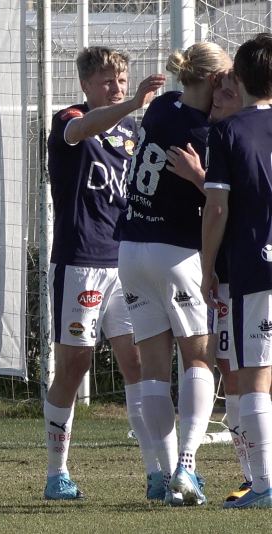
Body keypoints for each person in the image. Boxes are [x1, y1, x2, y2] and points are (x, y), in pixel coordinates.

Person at [44, 46, 166, 500]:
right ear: (86, 85)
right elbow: (82, 129)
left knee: (136, 361)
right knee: (75, 364)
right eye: (106, 81)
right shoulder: (69, 120)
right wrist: (132, 102)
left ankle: (157, 472)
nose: (115, 86)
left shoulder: (135, 130)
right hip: (81, 262)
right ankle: (57, 473)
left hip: (127, 261)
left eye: (120, 79)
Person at [117, 41, 230, 506]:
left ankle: (164, 479)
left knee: (153, 374)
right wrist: (201, 176)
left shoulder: (164, 105)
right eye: (225, 72)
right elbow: (222, 199)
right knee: (199, 361)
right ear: (212, 78)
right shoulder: (205, 132)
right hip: (176, 253)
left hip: (131, 250)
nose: (231, 79)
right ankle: (186, 467)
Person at [165, 70, 253, 504]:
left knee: (248, 374)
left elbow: (235, 208)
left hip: (247, 274)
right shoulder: (219, 134)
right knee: (230, 370)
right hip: (228, 276)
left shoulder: (242, 137)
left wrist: (198, 176)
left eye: (229, 91)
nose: (218, 96)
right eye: (217, 87)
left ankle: (260, 477)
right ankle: (252, 475)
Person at [201, 32, 272, 509]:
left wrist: (207, 266)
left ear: (239, 77)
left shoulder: (226, 132)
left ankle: (263, 485)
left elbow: (218, 209)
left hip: (253, 265)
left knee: (252, 377)